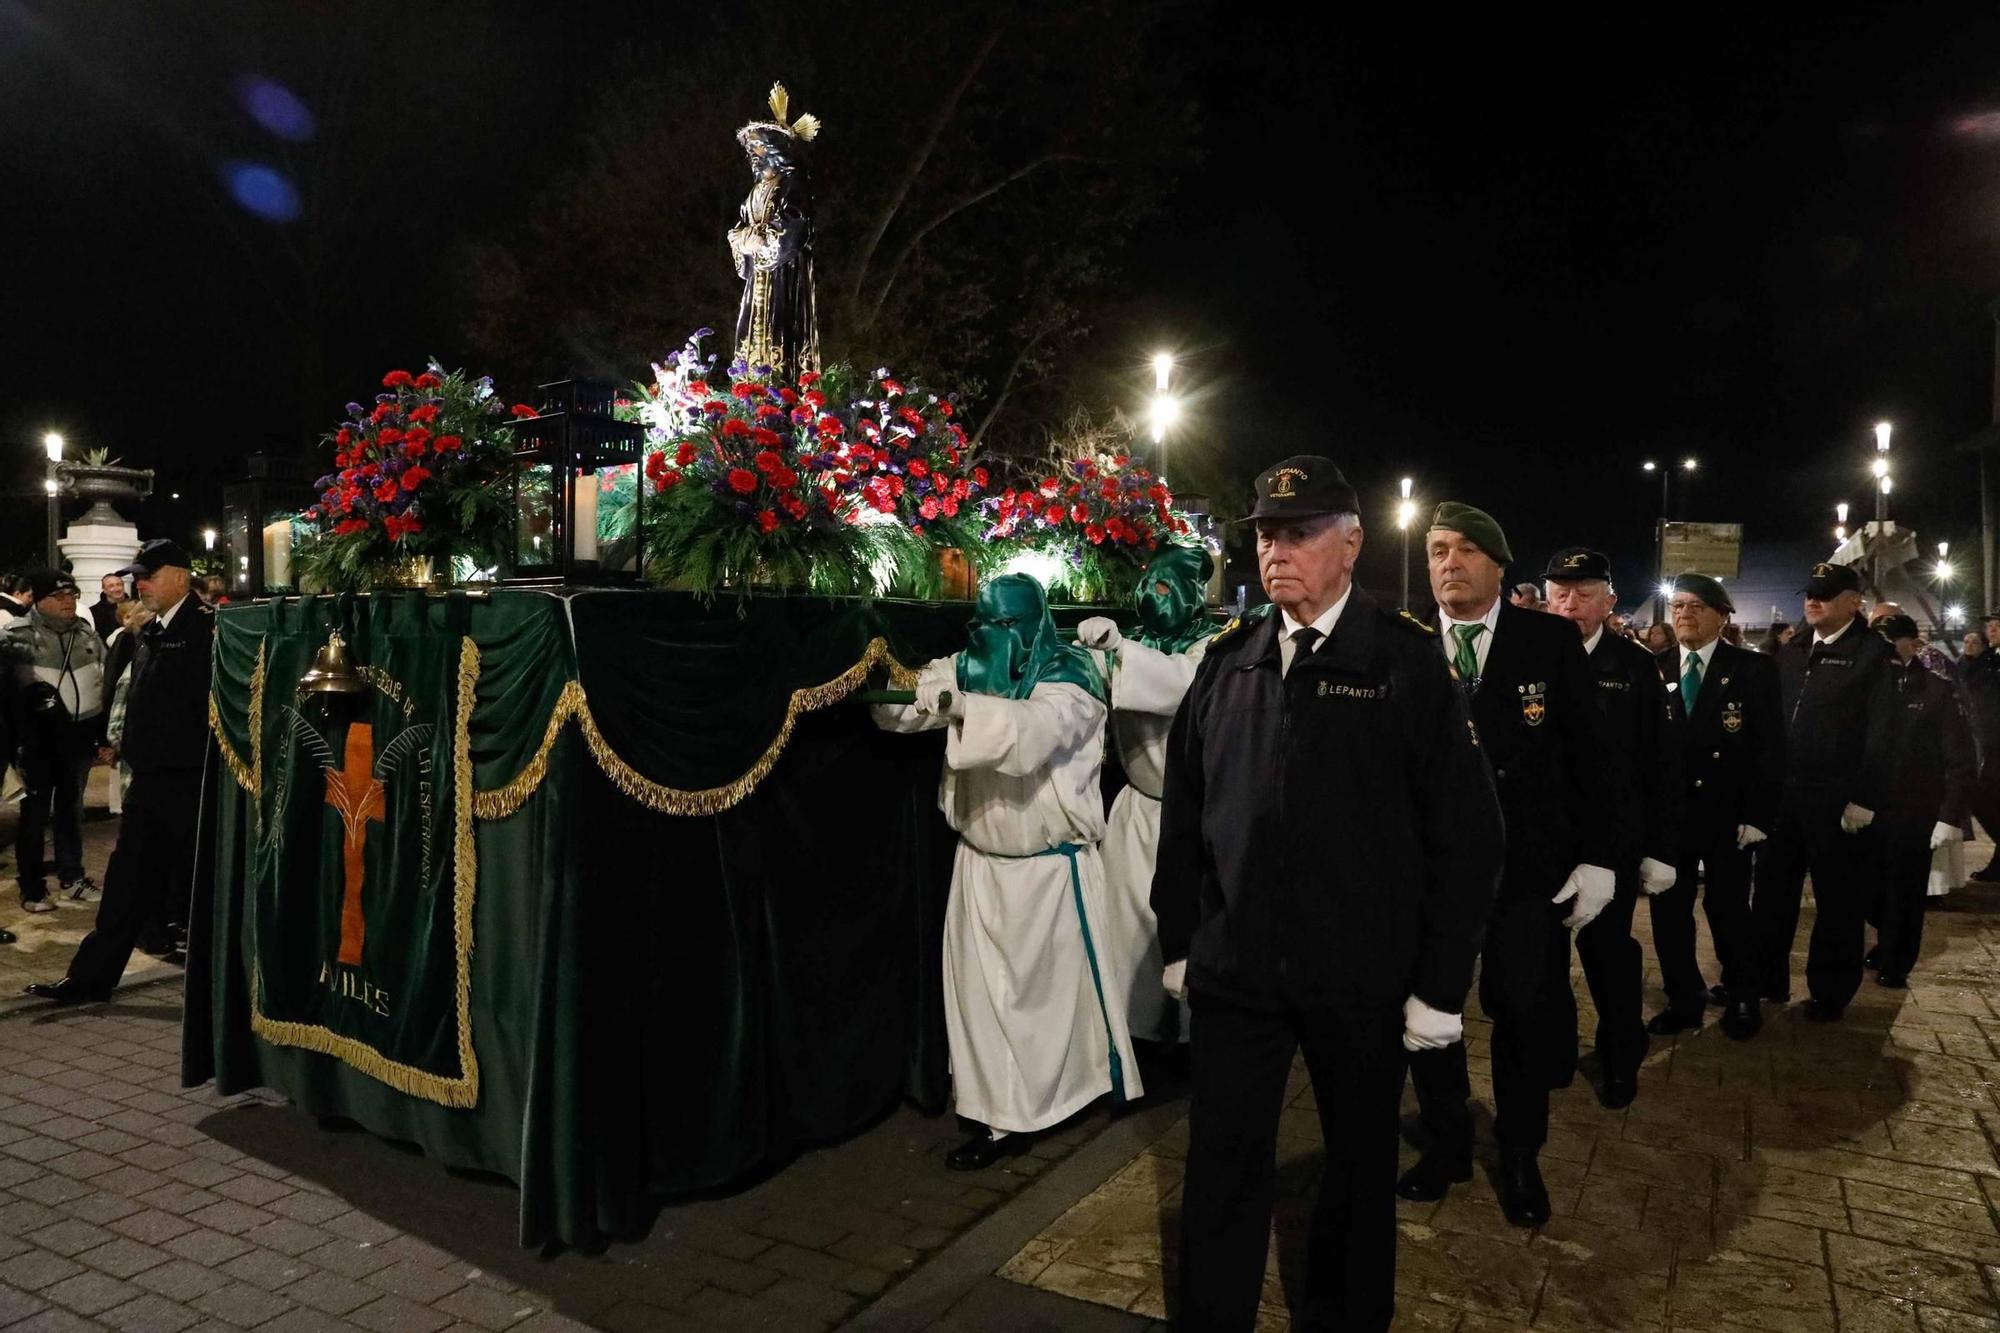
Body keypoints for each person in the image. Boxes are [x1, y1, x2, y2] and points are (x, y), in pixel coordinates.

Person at [1153, 457, 1500, 1331]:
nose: (1277, 550)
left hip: (1360, 975)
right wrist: (1180, 942)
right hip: (1240, 971)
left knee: (1354, 1169)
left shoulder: (1406, 661)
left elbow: (1466, 834)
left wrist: (1439, 982)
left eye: (1299, 531)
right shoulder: (1228, 663)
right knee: (1223, 1164)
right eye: (1267, 533)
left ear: (1350, 542)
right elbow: (1185, 816)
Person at [1399, 503, 1621, 1228]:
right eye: (1437, 550)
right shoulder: (1402, 643)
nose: (1448, 563)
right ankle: (1448, 1139)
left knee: (1521, 1012)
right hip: (1427, 875)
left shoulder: (1549, 641)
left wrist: (1600, 857)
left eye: (1465, 549)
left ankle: (1521, 1151)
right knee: (1428, 1016)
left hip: (1527, 870)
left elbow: (1594, 757)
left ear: (1499, 565)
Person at [873, 574, 1141, 1169]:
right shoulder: (970, 665)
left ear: (1032, 624)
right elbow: (911, 705)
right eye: (984, 623)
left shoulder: (1072, 678)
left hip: (1048, 874)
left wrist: (965, 705)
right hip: (979, 866)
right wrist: (887, 686)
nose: (993, 636)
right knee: (981, 1002)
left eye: (1006, 624)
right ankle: (999, 1114)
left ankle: (1051, 1103)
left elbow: (1032, 736)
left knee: (1040, 1009)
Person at [25, 541, 213, 1004]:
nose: (138, 584)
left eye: (148, 575)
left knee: (201, 888)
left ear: (181, 578)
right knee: (126, 883)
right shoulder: (149, 631)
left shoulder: (208, 629)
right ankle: (90, 979)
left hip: (191, 783)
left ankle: (224, 992)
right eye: (136, 576)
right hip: (149, 783)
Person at [1541, 548, 1676, 1107]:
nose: (1570, 603)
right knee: (1545, 962)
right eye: (1560, 592)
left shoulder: (1635, 666)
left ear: (1609, 601)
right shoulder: (1529, 657)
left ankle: (1621, 1056)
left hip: (1612, 842)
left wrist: (1661, 849)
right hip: (1545, 842)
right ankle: (1553, 1053)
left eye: (1584, 592)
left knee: (1610, 958)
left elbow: (1661, 764)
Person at [1074, 544, 1218, 1047]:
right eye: (1147, 584)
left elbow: (1180, 684)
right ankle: (1135, 1035)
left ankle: (1192, 1041)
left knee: (1185, 930)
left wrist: (1120, 652)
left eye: (1164, 586)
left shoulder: (1213, 646)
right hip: (1137, 810)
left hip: (1191, 817)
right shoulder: (1133, 640)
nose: (1150, 595)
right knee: (1129, 932)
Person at [1751, 561, 1895, 1022]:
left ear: (1854, 602)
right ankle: (1765, 978)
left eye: (1826, 594)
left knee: (1838, 900)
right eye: (1810, 593)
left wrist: (1866, 798)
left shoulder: (1872, 655)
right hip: (1785, 796)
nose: (1813, 601)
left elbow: (1884, 734)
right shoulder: (1792, 652)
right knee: (1772, 892)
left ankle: (1830, 991)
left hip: (1837, 800)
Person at [1644, 574, 1783, 1040]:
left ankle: (1742, 994)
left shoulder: (1752, 670)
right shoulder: (1654, 668)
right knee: (1668, 913)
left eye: (1696, 606)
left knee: (1728, 909)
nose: (1684, 614)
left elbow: (1770, 748)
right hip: (1669, 817)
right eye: (1678, 606)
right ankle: (1684, 997)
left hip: (1727, 814)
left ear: (1722, 615)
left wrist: (1760, 815)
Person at [1865, 615, 1974, 987]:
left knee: (1906, 891)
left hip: (1914, 808)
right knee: (1873, 888)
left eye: (1892, 642)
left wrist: (1950, 815)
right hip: (1869, 806)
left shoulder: (1935, 690)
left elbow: (1960, 758)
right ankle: (1886, 939)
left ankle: (1897, 960)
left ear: (1912, 643)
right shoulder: (1867, 687)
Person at [1, 569, 107, 912]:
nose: (68, 602)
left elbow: (101, 682)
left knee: (70, 811)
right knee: (34, 814)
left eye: (72, 595)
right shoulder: (15, 637)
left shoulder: (87, 635)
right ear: (40, 599)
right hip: (36, 741)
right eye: (59, 596)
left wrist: (102, 734)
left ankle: (72, 878)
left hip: (78, 738)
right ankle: (32, 887)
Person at [1962, 613, 2000, 881]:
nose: (1993, 629)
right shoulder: (1987, 658)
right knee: (1980, 796)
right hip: (1988, 742)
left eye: (1998, 625)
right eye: (1990, 625)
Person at [88, 573, 127, 640]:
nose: (116, 589)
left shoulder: (135, 606)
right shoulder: (94, 612)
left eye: (119, 584)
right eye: (111, 586)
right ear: (104, 589)